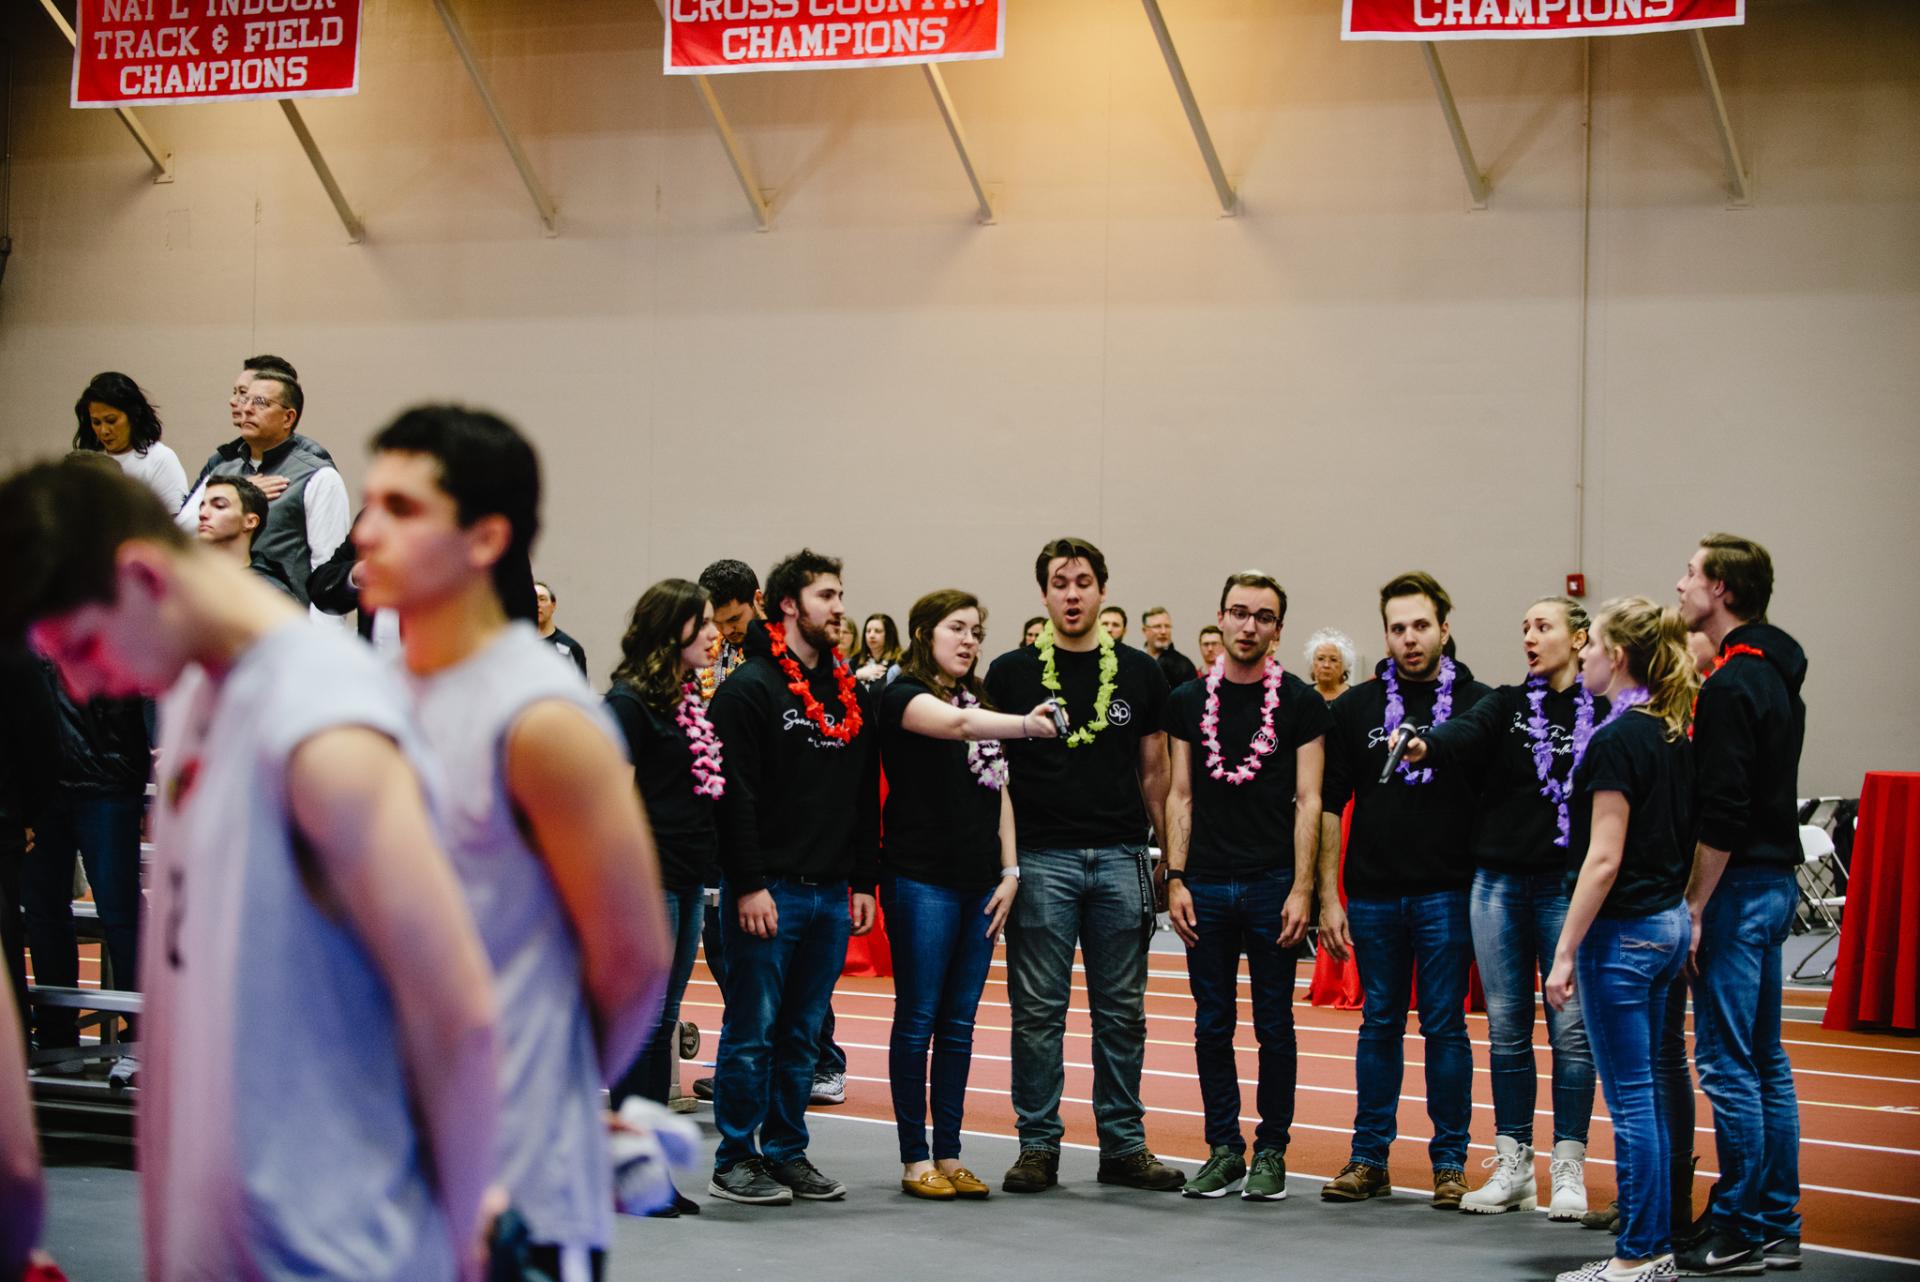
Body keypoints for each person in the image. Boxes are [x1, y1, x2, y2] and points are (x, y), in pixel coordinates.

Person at [0, 457, 501, 1281]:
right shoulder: (198, 690)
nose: (83, 685)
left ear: (139, 576)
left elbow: (460, 1011)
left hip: (330, 1243)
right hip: (223, 1226)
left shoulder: (323, 724)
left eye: (81, 645)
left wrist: (457, 1229)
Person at [356, 406, 672, 1279]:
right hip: (377, 1164)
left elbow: (635, 958)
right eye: (369, 501)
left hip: (518, 1182)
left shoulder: (542, 719)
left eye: (402, 507)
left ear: (486, 538)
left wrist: (553, 1090)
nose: (367, 529)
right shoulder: (364, 693)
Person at [985, 537, 1183, 1194]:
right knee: (1037, 1012)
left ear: (1102, 589)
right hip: (1042, 862)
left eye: (1083, 581)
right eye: (1059, 582)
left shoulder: (1140, 672)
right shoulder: (1011, 673)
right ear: (1043, 593)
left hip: (1123, 858)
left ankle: (1123, 1144)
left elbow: (1156, 773)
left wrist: (1168, 862)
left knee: (1123, 1012)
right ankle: (1038, 1145)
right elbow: (997, 777)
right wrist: (1008, 866)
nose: (1072, 593)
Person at [1400, 597, 1603, 1218]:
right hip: (1497, 885)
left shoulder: (1609, 709)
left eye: (1543, 627)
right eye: (1524, 629)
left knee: (1572, 1035)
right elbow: (1463, 732)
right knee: (1509, 1031)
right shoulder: (1509, 704)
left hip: (1567, 886)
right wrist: (1424, 746)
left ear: (1580, 636)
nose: (1530, 638)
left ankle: (1568, 1167)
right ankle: (1514, 1165)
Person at [704, 549, 879, 1206]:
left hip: (831, 895)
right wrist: (747, 884)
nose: (839, 606)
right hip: (767, 891)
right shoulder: (748, 691)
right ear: (788, 606)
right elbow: (732, 796)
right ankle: (735, 1157)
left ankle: (787, 1151)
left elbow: (862, 794)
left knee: (803, 1033)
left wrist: (863, 880)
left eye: (841, 594)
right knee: (754, 1028)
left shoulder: (848, 692)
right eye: (826, 595)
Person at [1316, 571, 1491, 1208]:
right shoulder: (1356, 708)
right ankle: (1369, 1160)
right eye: (1397, 628)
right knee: (1379, 1024)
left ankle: (1450, 1164)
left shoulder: (1481, 704)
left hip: (1448, 893)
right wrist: (1328, 896)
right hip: (1373, 895)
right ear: (1384, 634)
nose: (1410, 639)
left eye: (1421, 626)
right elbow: (1331, 806)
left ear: (1444, 627)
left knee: (1446, 1026)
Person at [881, 590, 1057, 1200]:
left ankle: (950, 1153)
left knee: (959, 1026)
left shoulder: (977, 701)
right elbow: (954, 726)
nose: (969, 640)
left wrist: (1011, 872)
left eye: (977, 631)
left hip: (980, 883)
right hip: (920, 881)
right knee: (918, 1020)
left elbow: (1000, 791)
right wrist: (1030, 724)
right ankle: (912, 1159)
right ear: (924, 631)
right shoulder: (902, 694)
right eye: (957, 628)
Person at [1544, 597, 1698, 1282]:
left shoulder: (1615, 740)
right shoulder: (1672, 732)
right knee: (1655, 1093)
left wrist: (1566, 949)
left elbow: (1603, 858)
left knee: (1633, 1098)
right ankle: (1654, 1239)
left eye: (1595, 644)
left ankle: (1639, 1252)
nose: (1585, 654)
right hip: (1665, 923)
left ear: (1622, 655)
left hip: (1626, 933)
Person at [1164, 573, 1328, 1201]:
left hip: (1270, 884)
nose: (1249, 625)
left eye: (1263, 616)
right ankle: (1224, 1148)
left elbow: (1310, 800)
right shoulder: (1186, 700)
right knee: (1211, 1024)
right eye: (1239, 613)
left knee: (1274, 1025)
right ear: (1221, 619)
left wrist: (1302, 890)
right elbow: (1180, 793)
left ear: (1277, 629)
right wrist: (1175, 878)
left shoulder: (1301, 703)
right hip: (1203, 881)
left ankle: (1273, 1151)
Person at [1673, 534, 1806, 1277]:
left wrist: (1694, 906)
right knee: (1764, 1061)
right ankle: (1777, 1222)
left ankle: (1741, 1225)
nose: (1680, 584)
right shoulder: (1778, 672)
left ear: (1721, 588)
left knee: (1726, 1064)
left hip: (1738, 886)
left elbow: (1723, 810)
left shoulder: (1730, 685)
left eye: (1690, 573)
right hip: (1773, 880)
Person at [605, 579, 725, 1219]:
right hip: (646, 879)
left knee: (663, 1018)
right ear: (671, 627)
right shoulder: (628, 703)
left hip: (684, 875)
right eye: (702, 623)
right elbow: (610, 797)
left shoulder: (685, 701)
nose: (712, 633)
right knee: (646, 1026)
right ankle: (633, 1172)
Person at [176, 364, 348, 606]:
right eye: (244, 399)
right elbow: (180, 536)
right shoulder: (223, 469)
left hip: (286, 617)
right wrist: (241, 490)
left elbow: (327, 569)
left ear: (288, 417)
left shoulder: (317, 475)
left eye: (260, 403)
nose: (246, 409)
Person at [71, 371, 186, 512]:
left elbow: (175, 523)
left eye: (111, 420)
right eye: (96, 422)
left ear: (133, 415)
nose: (104, 431)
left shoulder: (160, 458)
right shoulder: (88, 461)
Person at [195, 477, 300, 600]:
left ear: (250, 521)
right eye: (202, 506)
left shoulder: (270, 593)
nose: (203, 514)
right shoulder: (188, 579)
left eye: (219, 506)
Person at [534, 580, 589, 678]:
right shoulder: (515, 647)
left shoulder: (570, 648)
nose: (537, 604)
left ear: (553, 605)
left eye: (542, 599)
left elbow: (579, 689)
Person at [1141, 606, 1199, 690]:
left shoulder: (1183, 665)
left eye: (1167, 626)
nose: (1163, 631)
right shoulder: (1135, 661)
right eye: (1157, 626)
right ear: (1144, 630)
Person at [1304, 627, 1356, 702]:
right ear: (1313, 662)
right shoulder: (1303, 696)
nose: (1326, 665)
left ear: (1344, 665)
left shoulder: (1355, 697)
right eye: (1321, 659)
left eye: (1333, 660)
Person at [853, 611, 903, 684]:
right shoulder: (855, 661)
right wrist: (858, 675)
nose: (871, 635)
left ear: (889, 635)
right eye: (868, 631)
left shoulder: (899, 662)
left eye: (878, 631)